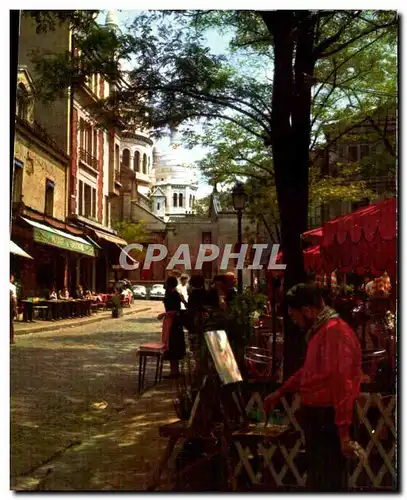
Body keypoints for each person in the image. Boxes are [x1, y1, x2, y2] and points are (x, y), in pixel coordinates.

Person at [263, 283, 362, 492]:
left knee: (328, 483)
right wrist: (281, 392)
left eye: (294, 316)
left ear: (307, 311)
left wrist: (343, 432)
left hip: (328, 419)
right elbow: (310, 373)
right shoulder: (323, 331)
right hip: (321, 419)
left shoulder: (334, 332)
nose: (296, 322)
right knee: (322, 481)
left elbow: (341, 382)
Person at [158, 276, 187, 378]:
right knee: (172, 344)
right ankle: (174, 371)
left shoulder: (173, 294)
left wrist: (163, 314)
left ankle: (174, 372)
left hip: (172, 322)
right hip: (172, 322)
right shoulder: (174, 294)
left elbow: (175, 310)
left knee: (172, 344)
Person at [10, 275, 17, 345]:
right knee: (10, 323)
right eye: (12, 277)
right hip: (10, 306)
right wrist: (15, 309)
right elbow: (14, 299)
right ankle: (11, 339)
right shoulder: (12, 286)